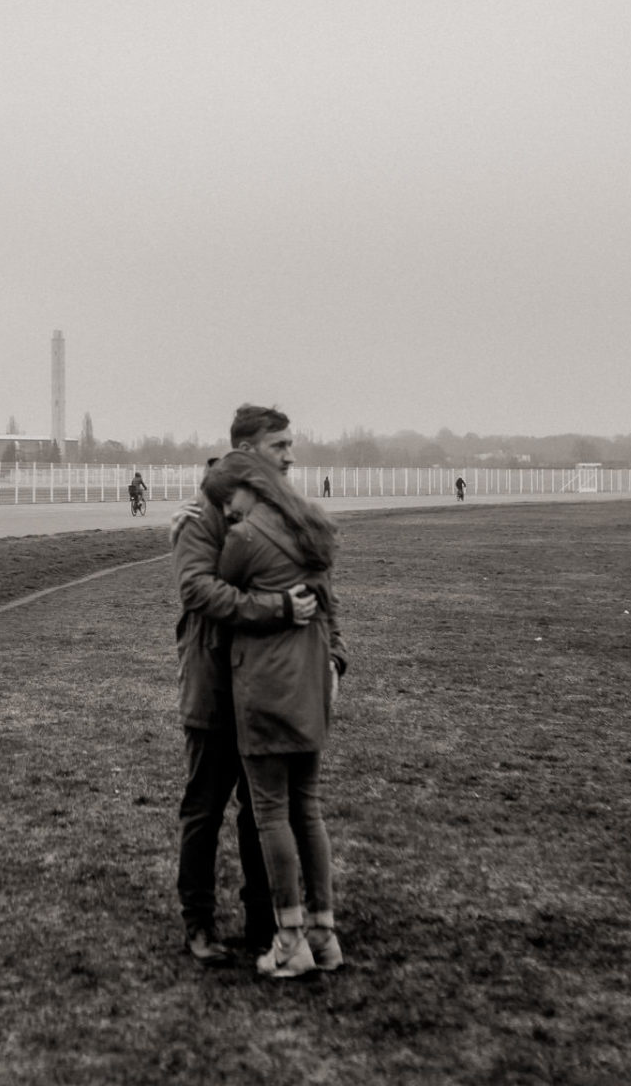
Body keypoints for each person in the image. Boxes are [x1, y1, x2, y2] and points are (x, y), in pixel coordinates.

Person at [170, 406, 317, 966]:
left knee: (263, 811)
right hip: (212, 680)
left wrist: (336, 654)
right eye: (279, 445)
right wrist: (275, 608)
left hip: (265, 684)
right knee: (204, 807)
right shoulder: (204, 512)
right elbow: (197, 592)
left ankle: (264, 922)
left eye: (289, 444)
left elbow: (315, 583)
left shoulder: (283, 510)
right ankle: (199, 923)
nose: (290, 456)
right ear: (248, 451)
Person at [201, 449, 348, 979]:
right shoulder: (310, 526)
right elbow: (329, 608)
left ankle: (288, 939)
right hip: (311, 684)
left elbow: (214, 592)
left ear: (247, 487)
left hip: (265, 687)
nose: (228, 510)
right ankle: (323, 934)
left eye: (229, 499)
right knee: (308, 811)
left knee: (269, 814)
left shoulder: (244, 539)